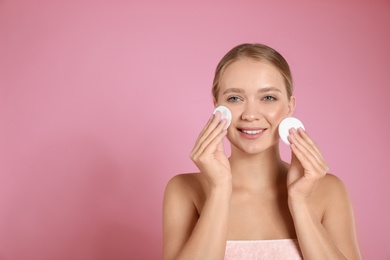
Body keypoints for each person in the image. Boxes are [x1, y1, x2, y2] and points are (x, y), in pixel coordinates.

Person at [162, 43, 361, 260]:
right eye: (235, 98)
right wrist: (219, 188)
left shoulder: (328, 191)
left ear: (289, 106)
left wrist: (300, 201)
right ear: (216, 105)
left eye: (268, 97)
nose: (250, 114)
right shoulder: (183, 190)